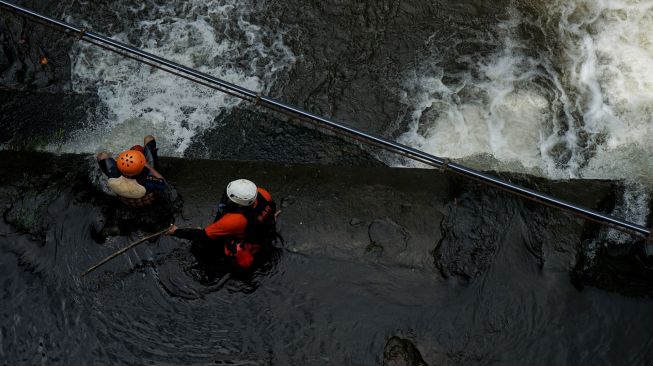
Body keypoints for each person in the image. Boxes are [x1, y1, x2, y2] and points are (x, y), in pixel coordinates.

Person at [166, 179, 278, 270]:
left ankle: (235, 268)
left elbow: (204, 236)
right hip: (264, 229)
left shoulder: (234, 220)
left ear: (238, 203)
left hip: (250, 240)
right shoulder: (263, 193)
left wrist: (176, 231)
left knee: (235, 255)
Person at [96, 135, 167, 207]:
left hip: (127, 203)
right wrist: (147, 165)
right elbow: (163, 183)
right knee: (149, 138)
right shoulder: (147, 181)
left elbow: (101, 156)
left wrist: (118, 161)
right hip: (147, 203)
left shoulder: (113, 175)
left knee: (102, 156)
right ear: (141, 167)